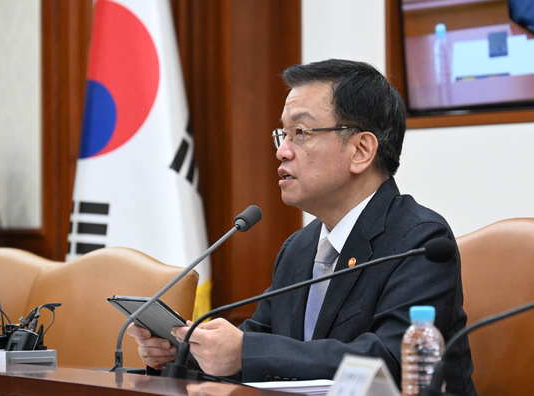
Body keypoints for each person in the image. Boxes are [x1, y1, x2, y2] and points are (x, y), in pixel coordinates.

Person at [128, 59, 476, 395]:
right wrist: (184, 356)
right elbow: (259, 341)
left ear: (361, 150)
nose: (283, 151)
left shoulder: (421, 240)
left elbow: (389, 361)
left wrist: (246, 351)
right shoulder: (299, 247)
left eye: (301, 133)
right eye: (283, 134)